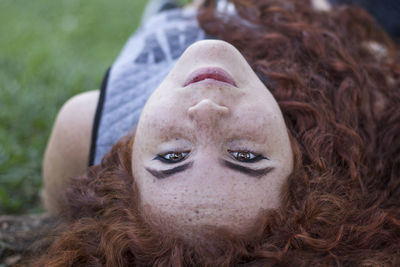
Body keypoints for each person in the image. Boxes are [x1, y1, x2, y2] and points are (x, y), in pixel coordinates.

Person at [38, 0, 400, 265]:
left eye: (173, 156)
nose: (207, 111)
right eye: (245, 155)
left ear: (124, 172)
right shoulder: (369, 109)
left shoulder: (86, 129)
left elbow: (63, 208)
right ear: (303, 167)